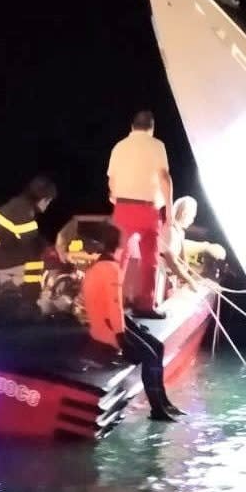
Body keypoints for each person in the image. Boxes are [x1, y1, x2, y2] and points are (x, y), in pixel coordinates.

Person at [82, 221, 185, 422]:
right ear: (118, 247)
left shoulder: (100, 267)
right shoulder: (110, 269)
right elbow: (112, 307)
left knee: (157, 346)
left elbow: (113, 307)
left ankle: (163, 401)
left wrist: (132, 328)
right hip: (109, 332)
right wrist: (122, 340)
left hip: (110, 324)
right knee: (149, 356)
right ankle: (157, 409)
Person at [107, 111, 173, 319]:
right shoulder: (157, 145)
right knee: (149, 259)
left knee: (119, 258)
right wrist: (169, 212)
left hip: (123, 207)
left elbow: (111, 181)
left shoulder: (119, 146)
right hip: (149, 209)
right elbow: (164, 177)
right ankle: (145, 305)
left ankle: (111, 305)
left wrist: (116, 198)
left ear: (132, 126)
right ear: (151, 128)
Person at [0, 175, 56, 313]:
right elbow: (32, 240)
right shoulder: (23, 208)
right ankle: (30, 301)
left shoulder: (17, 205)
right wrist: (54, 250)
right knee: (35, 253)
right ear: (44, 199)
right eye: (49, 201)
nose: (47, 205)